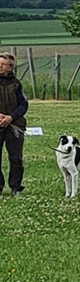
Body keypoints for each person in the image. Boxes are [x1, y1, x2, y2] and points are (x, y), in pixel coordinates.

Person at [0, 53, 27, 195]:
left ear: (10, 67)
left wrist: (11, 117)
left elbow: (23, 105)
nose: (0, 66)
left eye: (3, 64)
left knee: (15, 158)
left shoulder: (16, 84)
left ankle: (15, 187)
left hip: (15, 125)